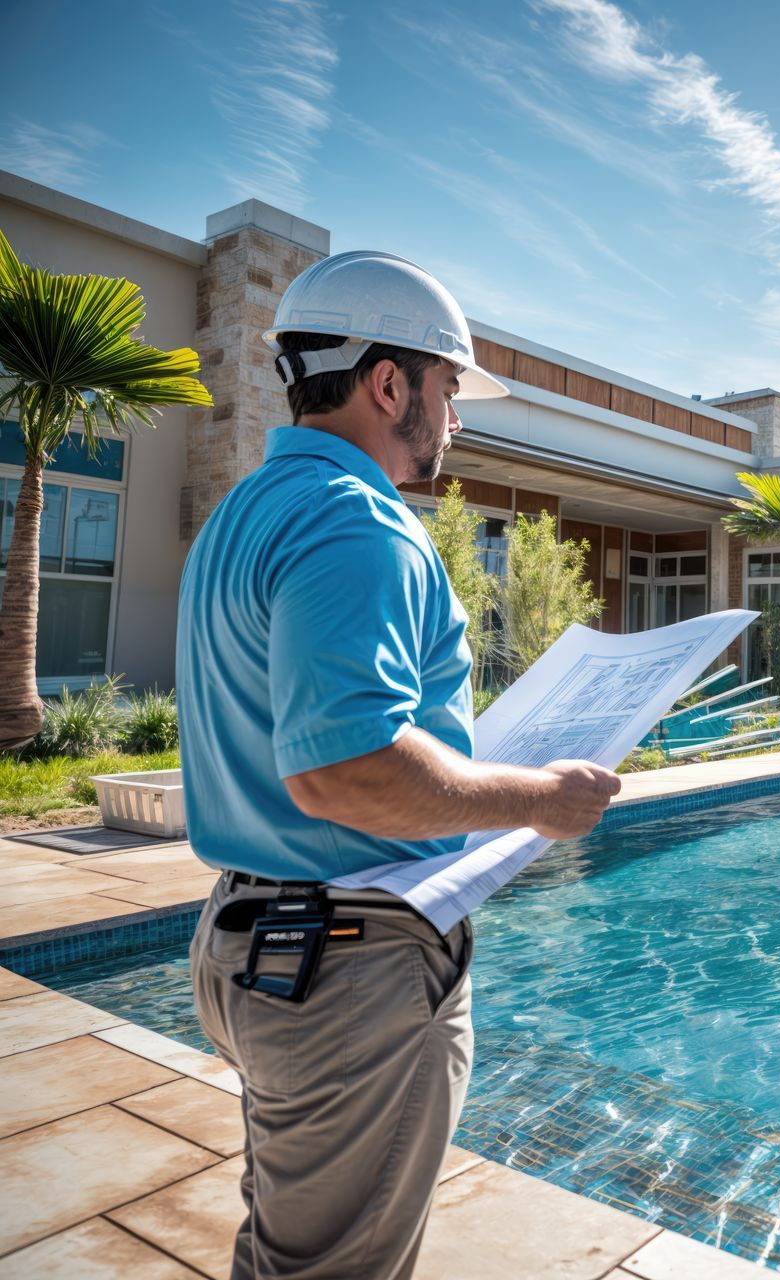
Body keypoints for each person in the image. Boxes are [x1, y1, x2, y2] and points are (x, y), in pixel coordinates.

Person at [176, 251, 622, 1279]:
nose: (456, 418)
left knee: (287, 1246)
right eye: (449, 387)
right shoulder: (356, 519)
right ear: (389, 383)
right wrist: (542, 799)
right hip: (345, 967)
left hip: (256, 938)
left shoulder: (245, 513)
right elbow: (346, 768)